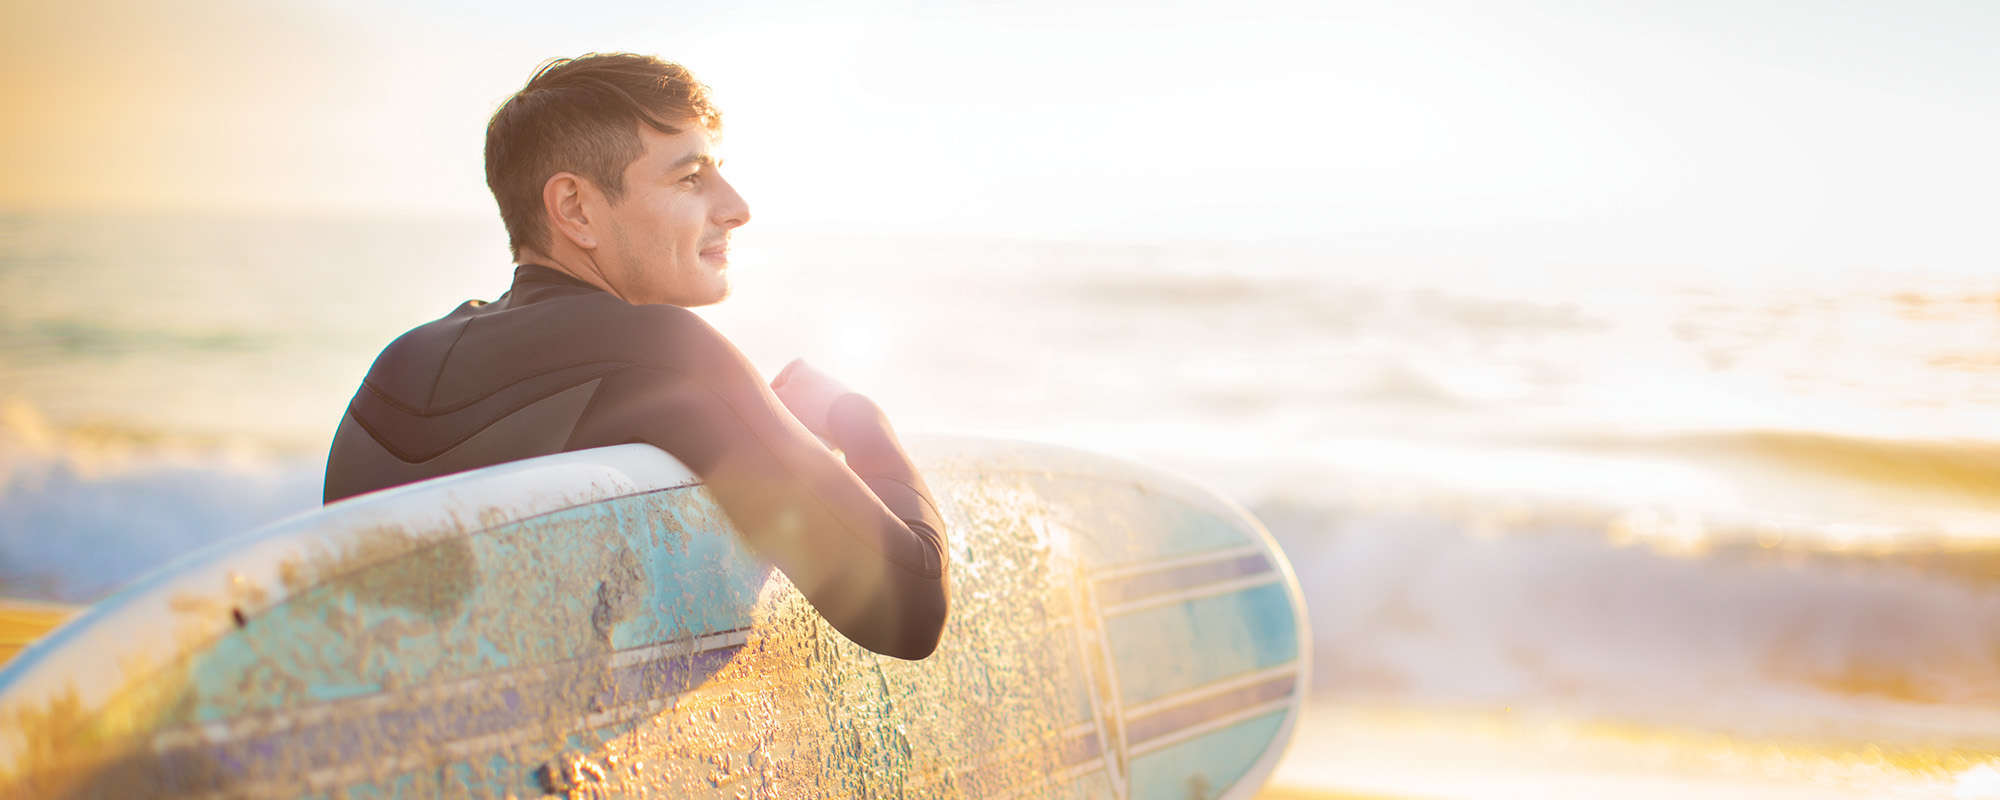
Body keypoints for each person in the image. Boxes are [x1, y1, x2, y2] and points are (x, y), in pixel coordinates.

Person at [322, 53, 948, 660]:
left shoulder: (397, 365)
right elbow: (909, 608)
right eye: (691, 178)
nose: (737, 208)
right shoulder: (665, 353)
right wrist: (853, 414)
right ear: (575, 209)